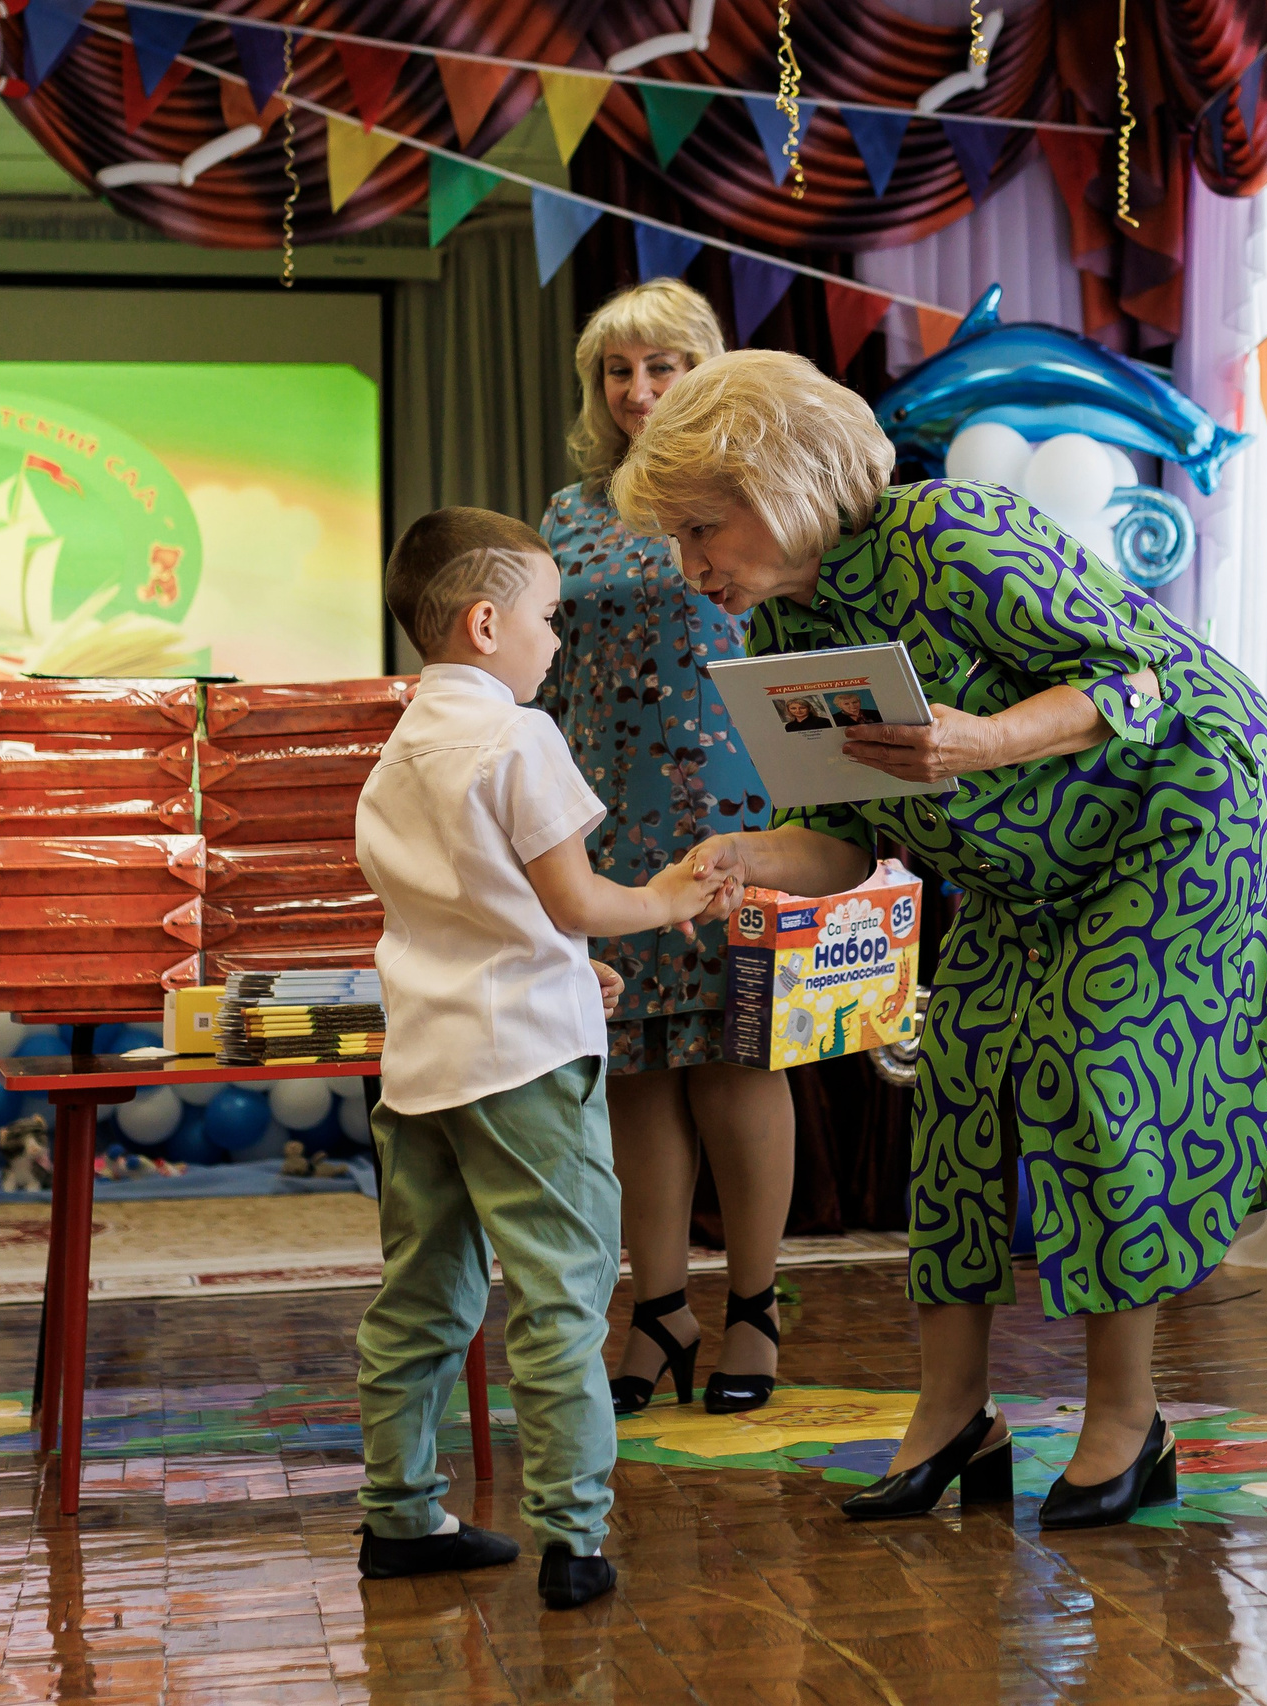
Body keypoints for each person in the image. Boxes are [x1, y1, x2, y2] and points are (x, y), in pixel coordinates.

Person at [609, 352, 1267, 1530]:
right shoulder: (790, 614)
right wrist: (739, 859)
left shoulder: (952, 531)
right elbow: (842, 836)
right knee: (961, 1077)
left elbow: (1150, 676)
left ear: (774, 477)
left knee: (1093, 1073)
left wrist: (985, 742)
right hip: (1029, 870)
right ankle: (953, 1413)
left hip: (1178, 812)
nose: (692, 564)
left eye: (698, 527)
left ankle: (1130, 1419)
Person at [352, 506, 729, 1607]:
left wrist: (564, 960)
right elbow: (573, 896)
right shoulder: (520, 734)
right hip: (524, 1062)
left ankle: (398, 1513)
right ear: (485, 622)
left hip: (423, 1063)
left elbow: (466, 910)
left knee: (421, 1296)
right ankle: (573, 1536)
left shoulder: (398, 747)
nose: (557, 639)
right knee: (562, 1295)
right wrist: (661, 899)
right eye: (549, 616)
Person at [538, 279, 791, 1420]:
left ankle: (754, 1308)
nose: (636, 389)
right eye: (617, 369)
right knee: (633, 1070)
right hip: (607, 816)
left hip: (733, 808)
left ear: (707, 368)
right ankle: (658, 1310)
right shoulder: (566, 510)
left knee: (740, 1063)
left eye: (662, 365)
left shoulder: (760, 491)